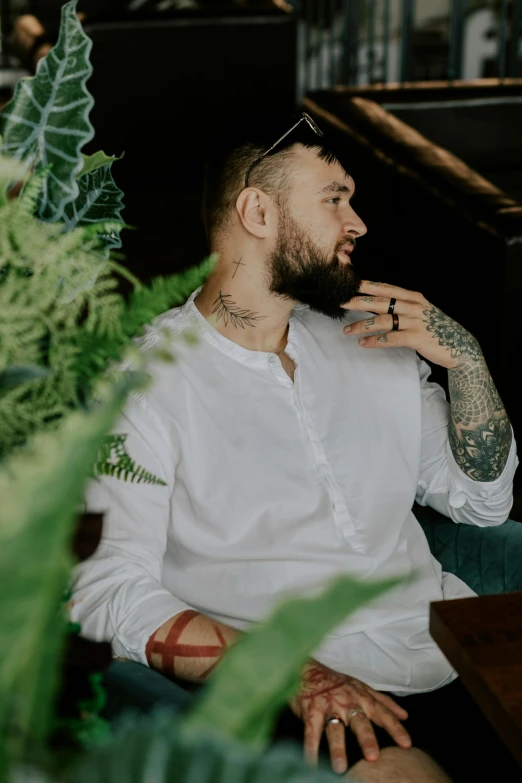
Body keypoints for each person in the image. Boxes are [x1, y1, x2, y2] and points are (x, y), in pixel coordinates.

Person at [72, 113, 518, 782]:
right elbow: (105, 589)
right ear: (258, 211)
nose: (357, 222)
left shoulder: (373, 343)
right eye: (335, 198)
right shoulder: (141, 382)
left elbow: (483, 504)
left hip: (443, 648)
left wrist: (468, 363)